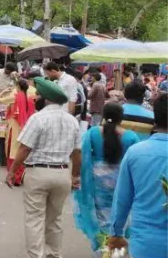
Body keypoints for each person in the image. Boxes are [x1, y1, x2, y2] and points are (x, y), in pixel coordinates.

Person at [6, 77, 83, 258]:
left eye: (38, 95)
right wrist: (74, 176)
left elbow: (25, 148)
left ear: (46, 98)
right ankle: (53, 254)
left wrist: (12, 172)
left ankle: (36, 256)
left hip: (38, 173)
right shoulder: (72, 121)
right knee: (54, 219)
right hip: (62, 174)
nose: (35, 98)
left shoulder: (38, 118)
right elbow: (77, 152)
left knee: (34, 219)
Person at [73, 103, 140, 256]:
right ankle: (117, 249)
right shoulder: (131, 137)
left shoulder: (92, 133)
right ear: (121, 118)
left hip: (97, 180)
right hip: (121, 179)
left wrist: (77, 176)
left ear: (103, 116)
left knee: (100, 215)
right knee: (121, 210)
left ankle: (103, 250)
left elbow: (82, 153)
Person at [106, 93, 167, 258]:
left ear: (155, 119)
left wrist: (116, 233)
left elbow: (122, 199)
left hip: (145, 244)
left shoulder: (136, 153)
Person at [4, 79, 36, 186]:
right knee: (22, 151)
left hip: (15, 126)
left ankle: (12, 176)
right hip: (26, 126)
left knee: (12, 152)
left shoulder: (15, 96)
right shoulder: (32, 96)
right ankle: (19, 177)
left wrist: (4, 92)